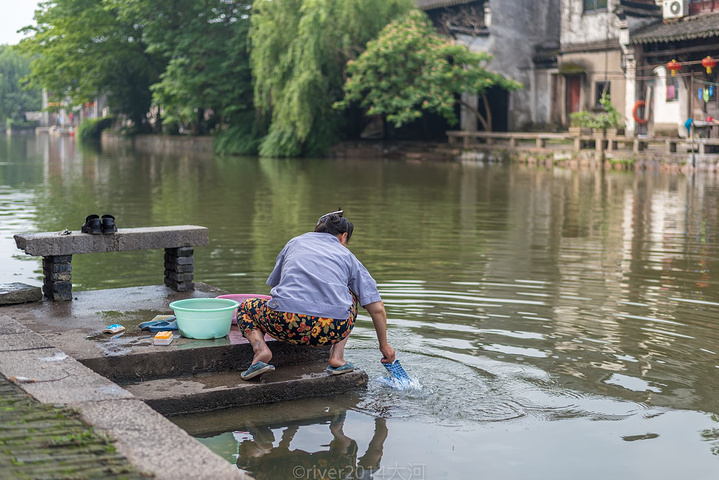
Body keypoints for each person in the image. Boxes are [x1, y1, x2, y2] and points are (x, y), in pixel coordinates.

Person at [238, 209, 395, 380]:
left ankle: (261, 350)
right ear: (343, 236)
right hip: (332, 330)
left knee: (245, 308)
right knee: (351, 296)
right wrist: (384, 345)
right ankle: (337, 357)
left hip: (284, 324)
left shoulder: (294, 243)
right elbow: (377, 309)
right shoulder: (347, 256)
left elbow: (279, 285)